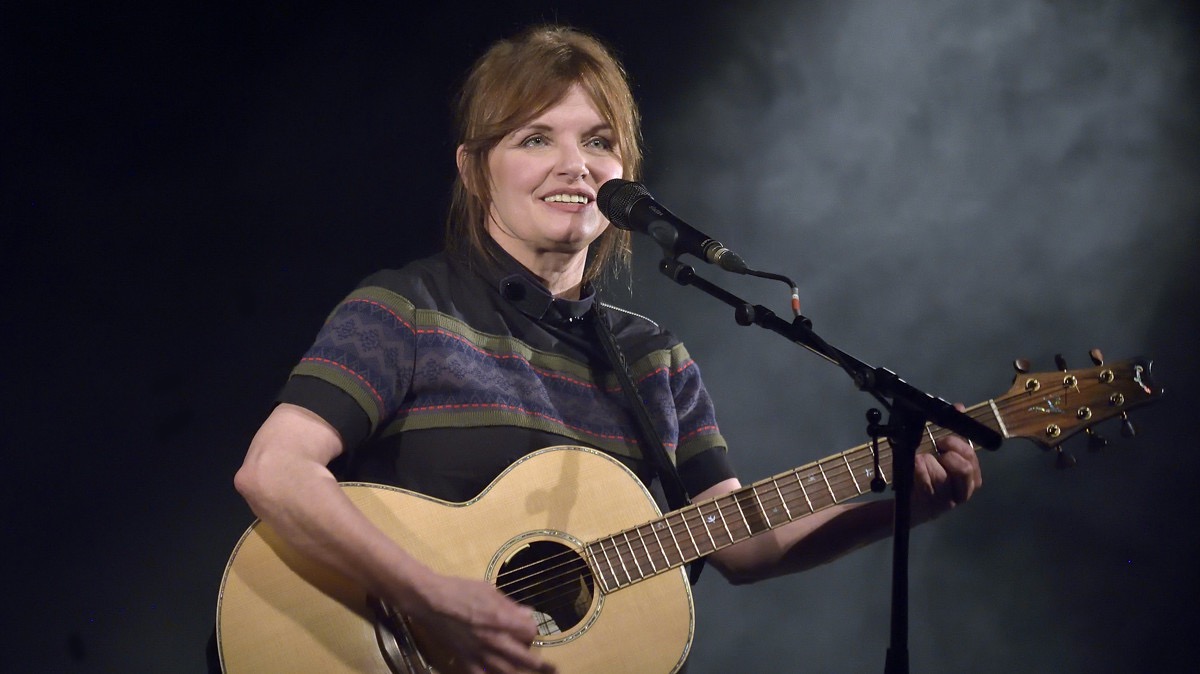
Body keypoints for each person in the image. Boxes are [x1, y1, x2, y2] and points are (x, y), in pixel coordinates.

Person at [231, 24, 982, 674]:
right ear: (472, 170)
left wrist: (903, 508)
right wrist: (432, 596)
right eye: (535, 138)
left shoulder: (652, 357)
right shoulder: (406, 309)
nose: (577, 166)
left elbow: (739, 543)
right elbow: (275, 471)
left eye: (599, 141)